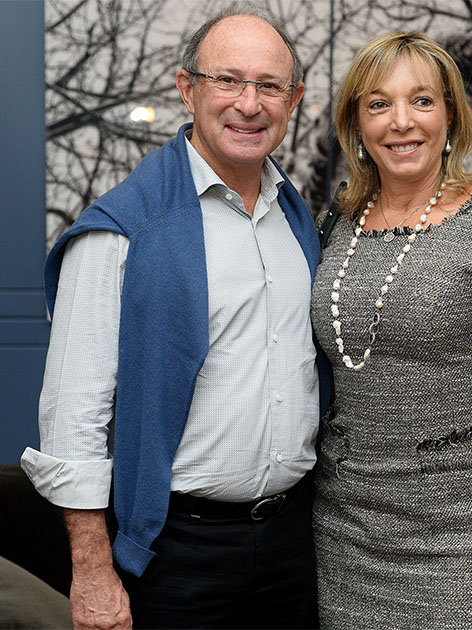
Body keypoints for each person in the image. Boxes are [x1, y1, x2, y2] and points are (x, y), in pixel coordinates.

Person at [21, 5, 331, 630]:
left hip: (297, 542)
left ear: (293, 100)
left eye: (269, 86)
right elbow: (73, 417)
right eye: (228, 80)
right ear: (188, 89)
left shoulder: (298, 221)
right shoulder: (122, 229)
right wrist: (92, 570)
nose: (249, 104)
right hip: (175, 551)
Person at [311, 31, 472, 630]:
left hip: (462, 539)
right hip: (343, 535)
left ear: (450, 115)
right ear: (357, 124)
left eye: (421, 101)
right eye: (379, 104)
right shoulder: (334, 227)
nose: (402, 122)